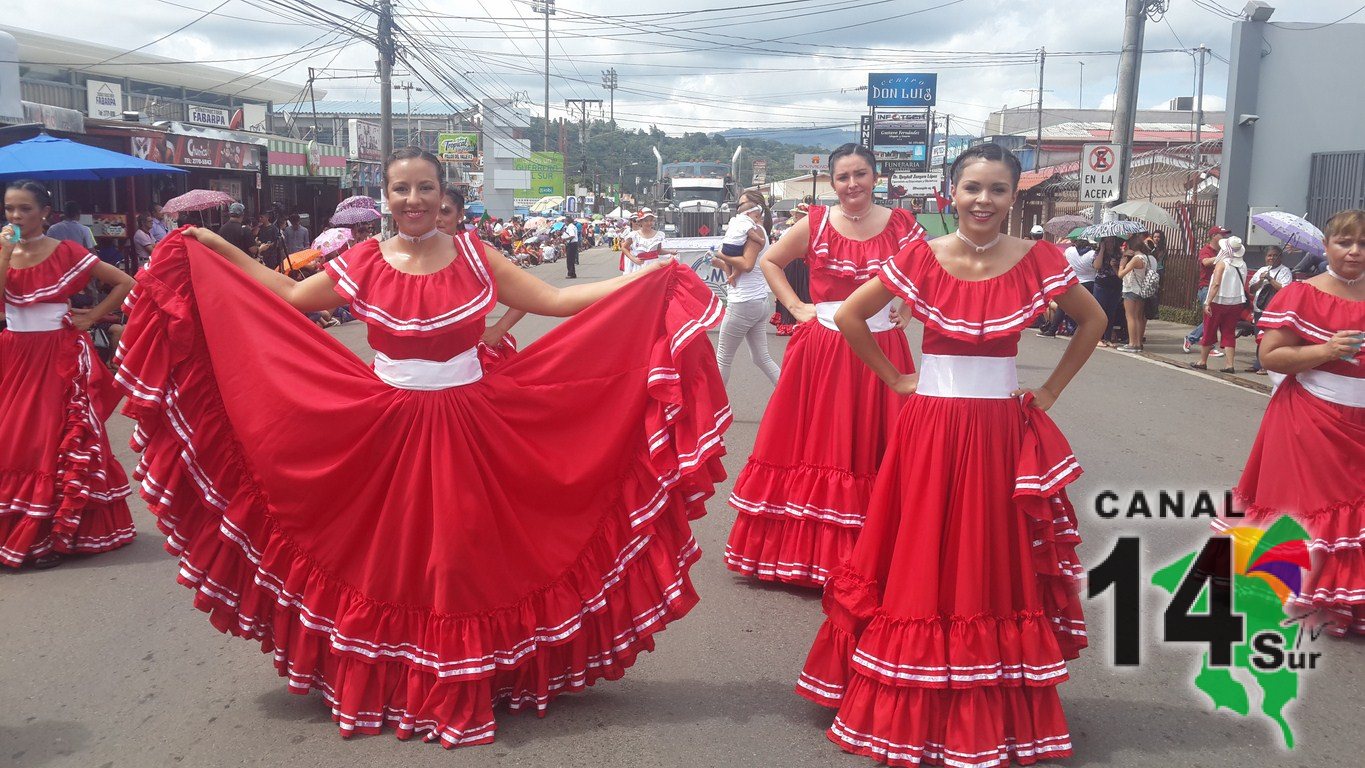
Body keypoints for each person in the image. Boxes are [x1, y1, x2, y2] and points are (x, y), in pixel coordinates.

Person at [112, 147, 730, 747]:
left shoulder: (476, 255)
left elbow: (556, 302)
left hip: (469, 423)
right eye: (401, 189)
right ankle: (399, 682)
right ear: (386, 197)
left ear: (443, 197)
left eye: (425, 189)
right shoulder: (364, 260)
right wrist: (217, 247)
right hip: (383, 427)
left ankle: (471, 678)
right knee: (386, 557)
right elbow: (295, 299)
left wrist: (645, 279)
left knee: (460, 560)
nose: (413, 199)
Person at [798, 143, 1105, 768]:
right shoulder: (921, 255)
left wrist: (1048, 391)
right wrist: (896, 379)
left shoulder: (1039, 258)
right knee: (915, 548)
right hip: (932, 425)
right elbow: (853, 316)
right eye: (972, 188)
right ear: (952, 193)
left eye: (996, 189)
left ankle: (978, 695)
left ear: (1014, 197)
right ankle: (911, 689)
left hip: (998, 431)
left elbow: (1093, 320)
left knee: (986, 556)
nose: (983, 200)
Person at [724, 143, 923, 588]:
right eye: (843, 177)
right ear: (832, 183)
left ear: (875, 177)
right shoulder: (815, 223)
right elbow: (772, 261)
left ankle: (878, 557)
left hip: (882, 347)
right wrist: (795, 305)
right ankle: (805, 558)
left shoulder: (903, 225)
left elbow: (922, 273)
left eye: (860, 175)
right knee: (816, 444)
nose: (852, 184)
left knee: (880, 447)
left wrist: (908, 306)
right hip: (825, 348)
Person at [1220, 209, 1365, 637]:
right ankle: (1304, 595)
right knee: (1313, 511)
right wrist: (1326, 350)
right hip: (1311, 417)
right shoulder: (1303, 295)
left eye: (1363, 243)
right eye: (1344, 242)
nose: (1354, 252)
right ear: (1326, 247)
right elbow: (1271, 356)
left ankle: (1350, 600)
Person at [0, 179, 137, 568]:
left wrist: (92, 316)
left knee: (50, 438)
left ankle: (58, 531)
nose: (15, 216)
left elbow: (125, 282)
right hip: (15, 353)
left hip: (57, 354)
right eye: (10, 208)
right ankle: (19, 527)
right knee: (12, 437)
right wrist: (5, 255)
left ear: (45, 212)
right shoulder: (3, 251)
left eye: (24, 209)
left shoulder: (67, 252)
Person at [436, 184, 524, 364]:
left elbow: (527, 297)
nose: (437, 219)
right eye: (431, 211)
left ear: (460, 215)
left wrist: (499, 329)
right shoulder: (405, 256)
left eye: (445, 212)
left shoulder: (477, 255)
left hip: (470, 361)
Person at [711, 190, 780, 386]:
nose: (739, 210)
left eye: (743, 205)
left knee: (723, 358)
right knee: (761, 357)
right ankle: (792, 397)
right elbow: (746, 267)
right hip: (756, 301)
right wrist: (723, 264)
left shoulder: (754, 230)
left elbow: (747, 264)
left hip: (744, 301)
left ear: (754, 208)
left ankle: (715, 411)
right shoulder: (757, 230)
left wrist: (722, 256)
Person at [1193, 236, 1250, 373]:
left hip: (1218, 301)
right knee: (1229, 332)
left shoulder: (1222, 263)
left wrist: (1207, 302)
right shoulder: (1242, 265)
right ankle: (1229, 364)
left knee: (1209, 330)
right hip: (1236, 302)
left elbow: (1216, 283)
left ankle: (1203, 361)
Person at [1183, 225, 1231, 355]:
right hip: (1206, 288)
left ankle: (1201, 341)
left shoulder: (1223, 250)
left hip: (1219, 288)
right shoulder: (1206, 250)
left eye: (1226, 234)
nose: (1225, 237)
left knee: (1213, 318)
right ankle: (1197, 340)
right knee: (1211, 317)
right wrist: (1222, 256)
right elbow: (1205, 262)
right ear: (1214, 236)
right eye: (1222, 234)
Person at [1038, 235, 1095, 337]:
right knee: (1085, 309)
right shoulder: (1092, 254)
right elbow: (1096, 267)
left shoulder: (1070, 250)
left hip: (1073, 281)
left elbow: (1061, 261)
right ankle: (1081, 331)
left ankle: (1052, 330)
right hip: (1089, 282)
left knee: (1063, 307)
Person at [1248, 246, 1294, 374]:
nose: (1272, 258)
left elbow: (1285, 289)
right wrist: (1261, 280)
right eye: (1269, 255)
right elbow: (1251, 289)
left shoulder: (1285, 271)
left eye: (1275, 255)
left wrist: (1270, 279)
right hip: (1259, 309)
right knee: (1259, 337)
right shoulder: (1262, 270)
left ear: (1280, 257)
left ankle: (1265, 365)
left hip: (1274, 311)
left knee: (1267, 338)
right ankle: (1258, 363)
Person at [1117, 232, 1157, 352]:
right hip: (1141, 290)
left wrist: (1121, 265)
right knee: (1138, 317)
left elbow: (1121, 274)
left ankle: (1132, 343)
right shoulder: (1145, 258)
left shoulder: (1136, 259)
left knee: (1131, 317)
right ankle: (1138, 342)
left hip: (1131, 289)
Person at [1091, 236, 1125, 347]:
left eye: (1111, 240)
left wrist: (1114, 265)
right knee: (1100, 312)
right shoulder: (1098, 253)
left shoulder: (1119, 254)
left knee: (1111, 312)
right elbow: (1097, 266)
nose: (1109, 243)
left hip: (1115, 284)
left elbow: (1121, 273)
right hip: (1102, 284)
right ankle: (1098, 337)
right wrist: (1102, 250)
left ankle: (1107, 337)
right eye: (1107, 241)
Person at [622, 209, 671, 275]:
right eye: (646, 221)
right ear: (640, 222)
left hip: (654, 266)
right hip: (640, 267)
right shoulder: (634, 235)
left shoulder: (659, 235)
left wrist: (671, 252)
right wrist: (634, 259)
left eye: (651, 220)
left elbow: (658, 251)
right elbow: (624, 247)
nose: (649, 223)